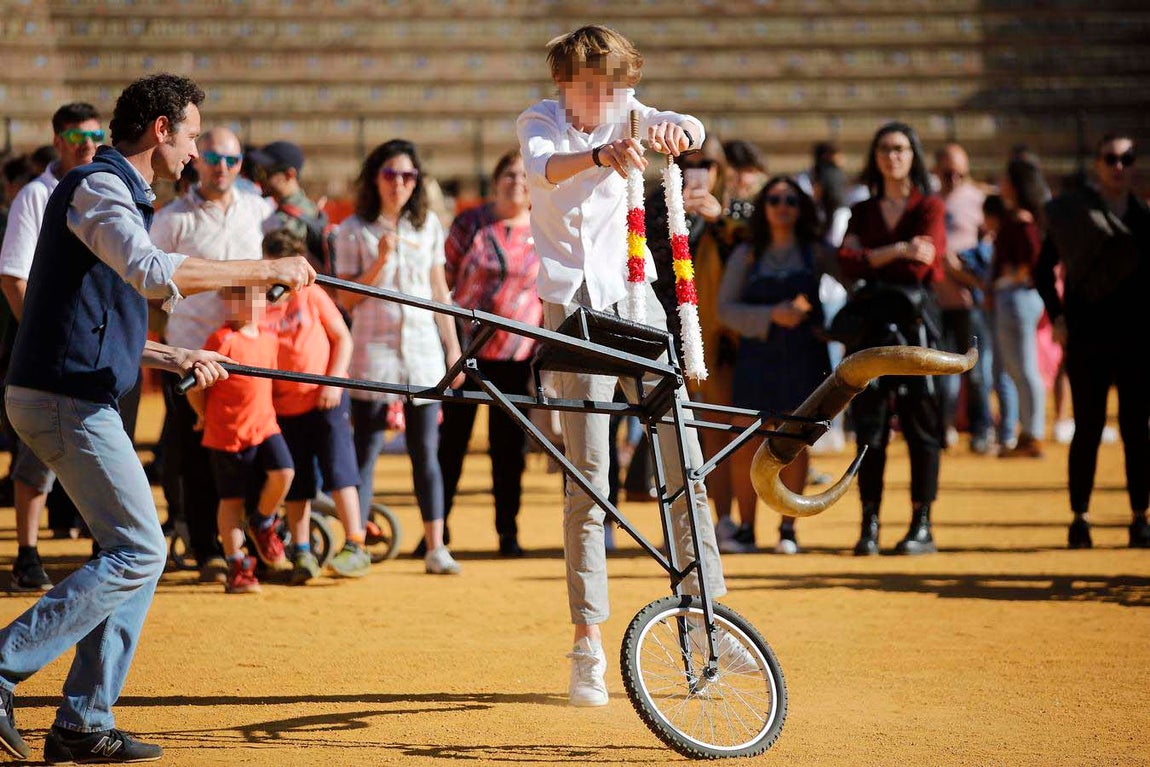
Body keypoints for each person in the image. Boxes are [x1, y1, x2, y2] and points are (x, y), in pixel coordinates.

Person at [0, 73, 314, 764]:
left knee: (137, 553)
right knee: (140, 549)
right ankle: (10, 666)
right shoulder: (99, 187)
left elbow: (102, 315)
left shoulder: (119, 194)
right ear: (162, 130)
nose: (198, 152)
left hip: (71, 392)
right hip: (65, 397)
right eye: (194, 136)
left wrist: (174, 354)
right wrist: (262, 271)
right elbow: (149, 272)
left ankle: (83, 719)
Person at [517, 24, 726, 708]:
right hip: (575, 312)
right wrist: (602, 156)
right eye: (588, 85)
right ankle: (587, 644)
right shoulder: (540, 121)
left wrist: (678, 134)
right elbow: (546, 168)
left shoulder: (631, 108)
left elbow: (686, 125)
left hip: (637, 304)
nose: (602, 98)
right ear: (563, 82)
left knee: (683, 462)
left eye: (611, 85)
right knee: (590, 479)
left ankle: (707, 623)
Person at [333, 139, 465, 575]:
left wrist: (453, 348)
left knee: (426, 451)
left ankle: (435, 545)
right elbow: (346, 301)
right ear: (375, 178)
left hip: (423, 351)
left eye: (409, 176)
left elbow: (438, 291)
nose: (400, 184)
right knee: (366, 447)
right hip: (374, 351)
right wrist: (378, 263)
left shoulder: (426, 227)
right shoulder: (353, 229)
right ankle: (355, 542)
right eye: (391, 175)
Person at [149, 125, 273, 584]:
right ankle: (208, 550)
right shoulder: (171, 219)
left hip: (247, 358)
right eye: (215, 159)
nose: (223, 169)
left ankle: (251, 547)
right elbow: (149, 288)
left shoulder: (261, 212)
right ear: (199, 160)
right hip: (189, 354)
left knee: (254, 452)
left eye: (232, 161)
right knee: (193, 455)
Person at [0, 102, 104, 591]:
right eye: (75, 135)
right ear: (57, 139)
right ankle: (27, 552)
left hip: (97, 349)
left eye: (94, 134)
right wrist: (43, 337)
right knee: (36, 456)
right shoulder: (36, 196)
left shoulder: (105, 189)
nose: (87, 142)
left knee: (103, 448)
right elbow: (12, 278)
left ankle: (105, 551)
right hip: (50, 352)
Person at [837, 121, 946, 556]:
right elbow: (847, 261)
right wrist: (899, 250)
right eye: (884, 148)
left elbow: (924, 267)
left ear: (913, 155)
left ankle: (922, 524)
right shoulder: (862, 210)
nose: (892, 156)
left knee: (922, 425)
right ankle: (870, 524)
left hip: (917, 323)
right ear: (875, 156)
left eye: (900, 148)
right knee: (870, 428)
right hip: (872, 327)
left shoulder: (929, 207)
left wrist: (874, 258)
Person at [1036, 134, 1149, 549]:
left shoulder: (1144, 219)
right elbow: (1042, 269)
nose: (1119, 166)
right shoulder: (1071, 213)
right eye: (1111, 158)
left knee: (1139, 431)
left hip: (1137, 338)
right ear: (1099, 165)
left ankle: (1140, 517)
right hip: (1087, 336)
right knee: (1088, 427)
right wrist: (1057, 316)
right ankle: (1079, 518)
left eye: (1127, 158)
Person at [717, 177, 831, 555]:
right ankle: (747, 528)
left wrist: (829, 327)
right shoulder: (746, 254)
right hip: (757, 357)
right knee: (746, 436)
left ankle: (787, 529)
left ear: (801, 209)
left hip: (803, 357)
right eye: (775, 199)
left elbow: (854, 287)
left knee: (795, 441)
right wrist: (772, 315)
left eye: (791, 200)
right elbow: (724, 310)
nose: (783, 206)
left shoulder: (817, 252)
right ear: (764, 206)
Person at [437, 150, 541, 558]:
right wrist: (448, 344)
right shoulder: (470, 223)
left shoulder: (544, 227)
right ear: (496, 179)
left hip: (518, 356)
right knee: (451, 445)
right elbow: (443, 281)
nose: (516, 181)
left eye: (524, 175)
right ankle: (436, 529)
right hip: (466, 351)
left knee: (509, 451)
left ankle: (507, 533)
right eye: (509, 174)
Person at [261, 229, 372, 582]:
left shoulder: (312, 295)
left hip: (325, 400)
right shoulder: (261, 303)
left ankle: (356, 543)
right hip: (285, 406)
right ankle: (302, 551)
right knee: (299, 482)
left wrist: (333, 380)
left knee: (340, 470)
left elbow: (343, 337)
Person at [188, 285, 295, 593]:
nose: (248, 304)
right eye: (239, 297)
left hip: (264, 426)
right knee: (231, 501)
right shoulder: (222, 341)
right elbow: (196, 387)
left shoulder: (269, 339)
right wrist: (204, 415)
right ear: (227, 302)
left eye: (254, 297)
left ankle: (262, 522)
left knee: (284, 472)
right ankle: (237, 564)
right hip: (228, 433)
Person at [933, 143, 994, 455]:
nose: (953, 177)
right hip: (935, 303)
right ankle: (943, 430)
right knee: (940, 372)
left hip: (969, 300)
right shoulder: (930, 201)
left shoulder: (977, 199)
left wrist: (969, 271)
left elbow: (991, 241)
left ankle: (982, 430)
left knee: (977, 373)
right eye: (947, 171)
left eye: (959, 170)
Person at [992, 158, 1050, 459]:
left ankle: (1032, 433)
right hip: (1017, 296)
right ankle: (1030, 432)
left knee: (1024, 367)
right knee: (1020, 368)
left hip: (1016, 295)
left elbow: (1032, 261)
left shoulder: (1021, 220)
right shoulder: (1022, 218)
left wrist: (1007, 279)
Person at [249, 140, 330, 274]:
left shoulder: (285, 219)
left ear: (289, 174)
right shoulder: (310, 207)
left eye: (266, 172)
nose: (259, 178)